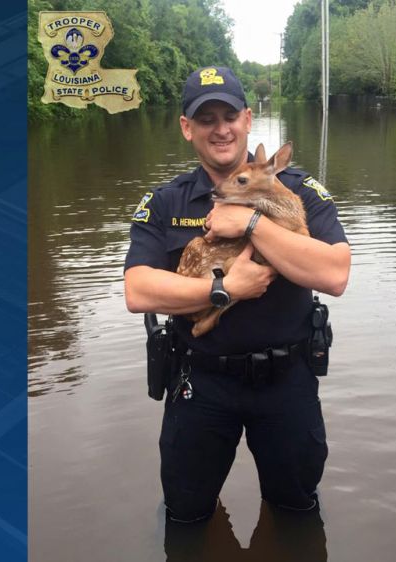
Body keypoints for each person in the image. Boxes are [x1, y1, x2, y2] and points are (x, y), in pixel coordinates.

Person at [123, 65, 351, 524]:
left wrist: (250, 223)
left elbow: (335, 274)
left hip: (287, 382)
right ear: (187, 128)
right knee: (186, 515)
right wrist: (224, 289)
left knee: (296, 512)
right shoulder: (167, 200)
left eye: (229, 116)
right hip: (200, 383)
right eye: (205, 119)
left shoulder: (300, 190)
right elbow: (137, 290)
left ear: (248, 119)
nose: (221, 129)